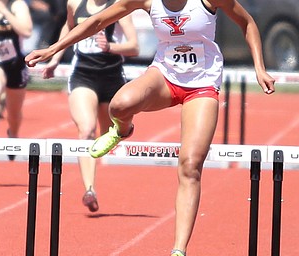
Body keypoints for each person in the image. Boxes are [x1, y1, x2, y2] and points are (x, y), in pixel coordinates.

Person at [25, 0, 275, 254]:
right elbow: (98, 21)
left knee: (190, 166)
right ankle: (122, 130)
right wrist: (54, 48)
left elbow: (247, 22)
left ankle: (178, 250)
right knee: (119, 106)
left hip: (202, 84)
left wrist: (260, 69)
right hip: (165, 77)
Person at [41, 0, 139, 211]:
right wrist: (55, 59)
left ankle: (121, 131)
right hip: (83, 76)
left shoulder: (119, 7)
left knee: (107, 136)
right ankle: (89, 189)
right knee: (86, 130)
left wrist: (111, 46)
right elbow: (69, 27)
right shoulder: (75, 4)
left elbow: (134, 47)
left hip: (112, 77)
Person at [0, 0, 32, 163]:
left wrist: (6, 13)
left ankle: (13, 135)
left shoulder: (17, 6)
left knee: (14, 113)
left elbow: (27, 31)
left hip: (15, 65)